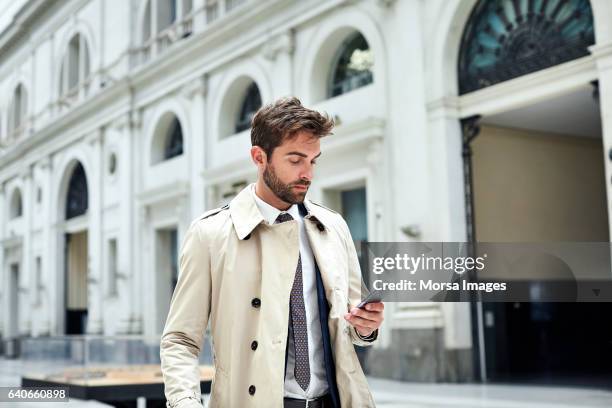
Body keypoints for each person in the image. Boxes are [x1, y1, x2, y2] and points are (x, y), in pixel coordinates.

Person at [160, 96, 384, 408]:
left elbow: (350, 323)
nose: (307, 173)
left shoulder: (333, 227)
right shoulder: (210, 234)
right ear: (259, 157)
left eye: (313, 160)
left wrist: (366, 327)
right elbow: (180, 340)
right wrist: (185, 401)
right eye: (295, 160)